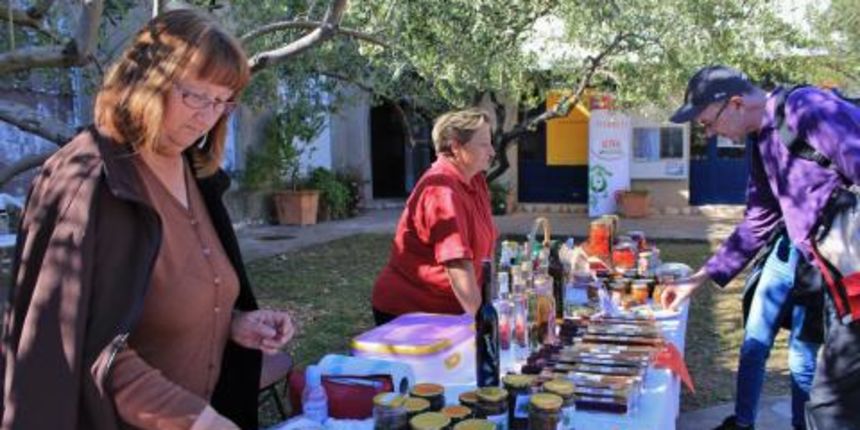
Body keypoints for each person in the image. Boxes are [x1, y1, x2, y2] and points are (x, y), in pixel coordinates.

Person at [1, 9, 294, 429]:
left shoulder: (195, 170)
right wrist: (196, 420)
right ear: (145, 80)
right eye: (195, 95)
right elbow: (82, 348)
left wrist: (234, 324)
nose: (206, 116)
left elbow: (163, 302)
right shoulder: (87, 181)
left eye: (221, 101)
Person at [662, 65, 860, 429]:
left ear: (735, 103)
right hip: (837, 284)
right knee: (832, 404)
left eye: (707, 123)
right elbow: (758, 221)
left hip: (854, 280)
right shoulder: (761, 141)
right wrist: (700, 277)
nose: (708, 133)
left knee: (831, 406)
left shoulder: (806, 108)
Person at [371, 108, 498, 325]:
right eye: (484, 144)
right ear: (456, 147)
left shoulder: (474, 181)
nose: (493, 152)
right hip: (411, 313)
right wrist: (485, 326)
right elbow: (458, 266)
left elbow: (486, 256)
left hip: (449, 312)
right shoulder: (441, 190)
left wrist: (491, 303)